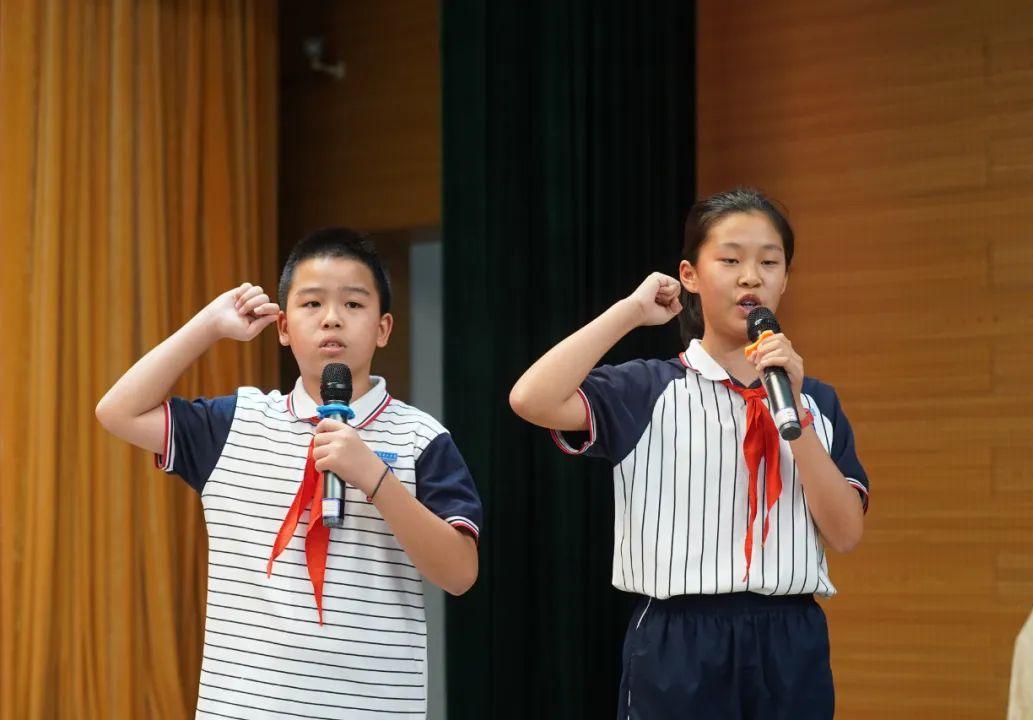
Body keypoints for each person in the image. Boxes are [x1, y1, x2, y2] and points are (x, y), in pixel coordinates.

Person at [509, 188, 868, 719]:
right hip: (680, 641)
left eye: (769, 262)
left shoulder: (816, 400)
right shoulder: (646, 389)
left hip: (791, 641)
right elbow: (531, 399)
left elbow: (845, 533)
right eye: (731, 260)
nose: (751, 278)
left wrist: (797, 416)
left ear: (785, 280)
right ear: (690, 274)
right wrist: (630, 313)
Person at [97, 227, 481, 718]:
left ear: (384, 329)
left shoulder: (421, 438)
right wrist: (208, 326)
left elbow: (460, 574)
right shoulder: (236, 423)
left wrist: (375, 478)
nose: (332, 318)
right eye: (312, 303)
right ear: (282, 327)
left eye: (354, 304)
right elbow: (117, 412)